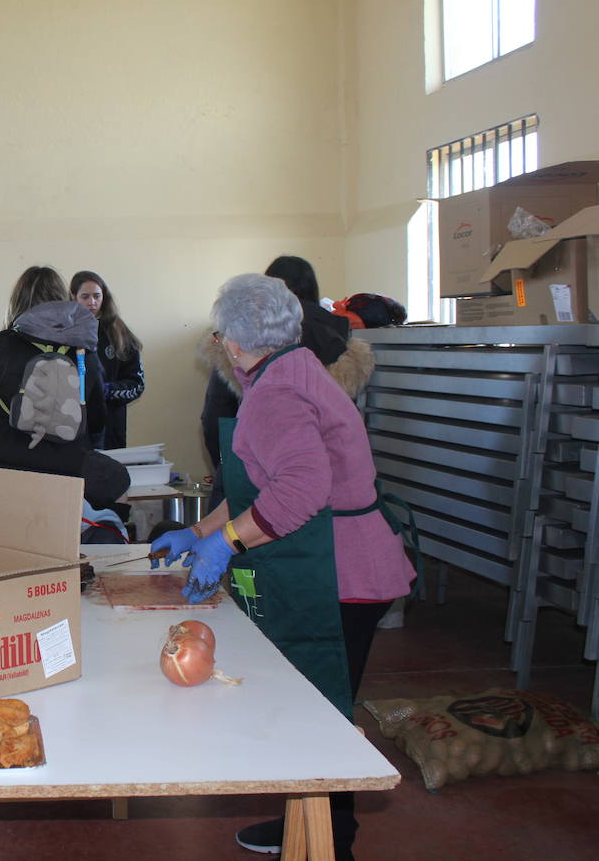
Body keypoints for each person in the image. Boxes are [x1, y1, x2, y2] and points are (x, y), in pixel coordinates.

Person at [153, 273, 415, 861]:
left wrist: (225, 543)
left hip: (341, 570)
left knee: (323, 715)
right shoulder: (293, 368)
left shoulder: (275, 393)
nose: (220, 344)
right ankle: (304, 818)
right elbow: (258, 485)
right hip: (339, 559)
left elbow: (299, 491)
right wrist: (196, 531)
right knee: (316, 710)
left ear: (237, 343)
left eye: (220, 335)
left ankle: (330, 842)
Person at [199, 255, 374, 503]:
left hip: (267, 490)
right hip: (341, 502)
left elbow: (215, 414)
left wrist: (227, 535)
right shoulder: (335, 339)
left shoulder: (258, 351)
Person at [0, 266, 124, 508]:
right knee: (58, 544)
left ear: (17, 301)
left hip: (5, 470)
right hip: (65, 475)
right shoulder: (83, 350)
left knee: (4, 543)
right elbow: (95, 421)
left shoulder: (0, 346)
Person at [70, 270, 145, 449]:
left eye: (97, 296)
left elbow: (137, 383)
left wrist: (107, 390)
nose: (92, 302)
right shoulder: (63, 333)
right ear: (73, 298)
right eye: (85, 297)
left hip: (109, 430)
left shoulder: (118, 333)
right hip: (70, 427)